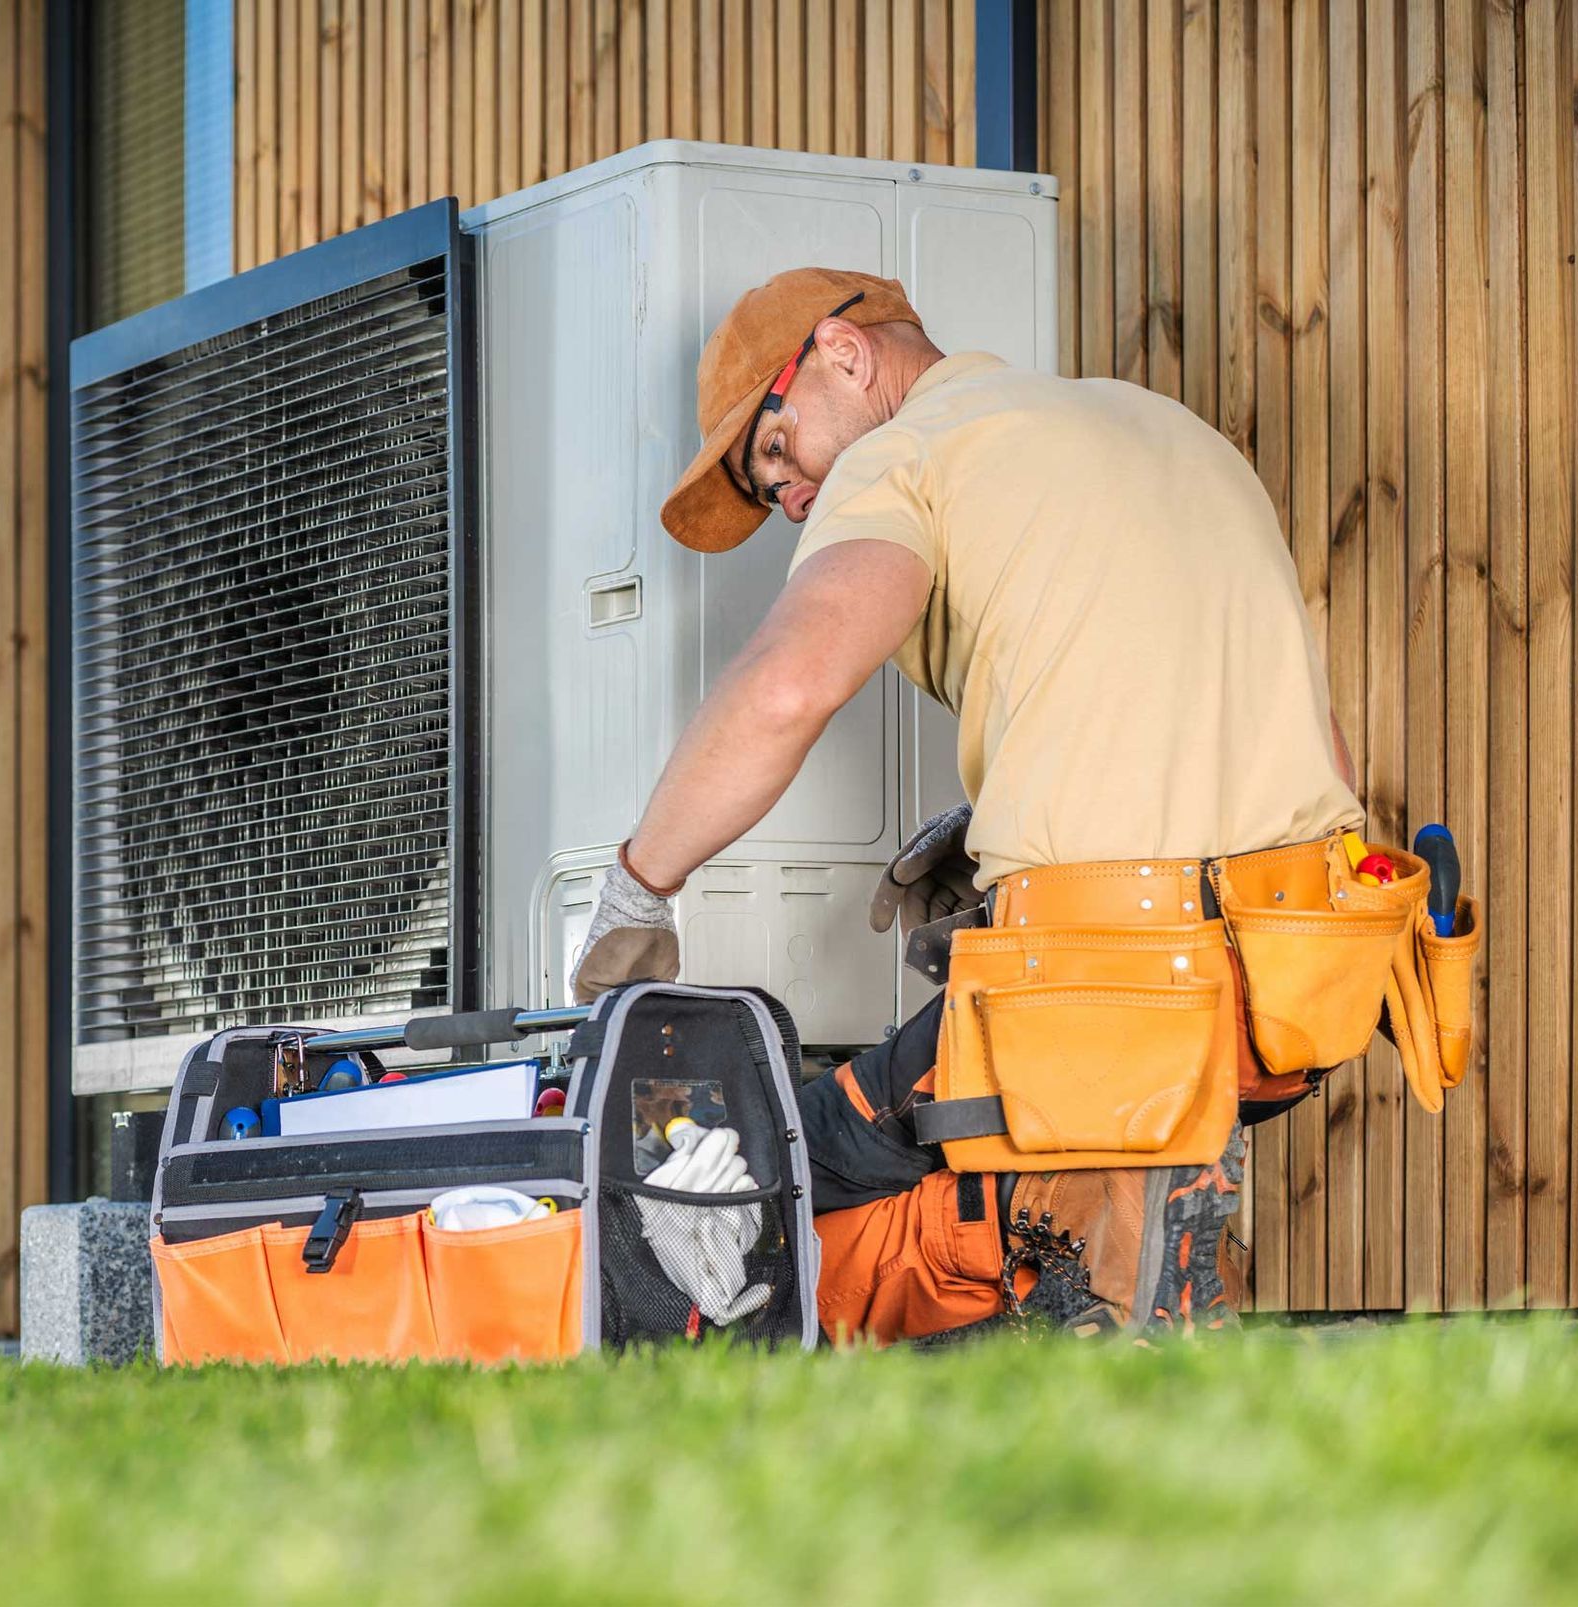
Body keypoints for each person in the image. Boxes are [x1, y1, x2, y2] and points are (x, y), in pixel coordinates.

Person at [571, 268, 1363, 1342]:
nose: (793, 500)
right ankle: (1125, 1239)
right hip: (1293, 986)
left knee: (780, 1152)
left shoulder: (908, 453)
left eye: (776, 453)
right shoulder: (1163, 426)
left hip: (1106, 986)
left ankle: (1076, 1282)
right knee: (1005, 1130)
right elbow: (1315, 745)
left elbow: (788, 687)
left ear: (843, 357)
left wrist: (637, 886)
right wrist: (1019, 822)